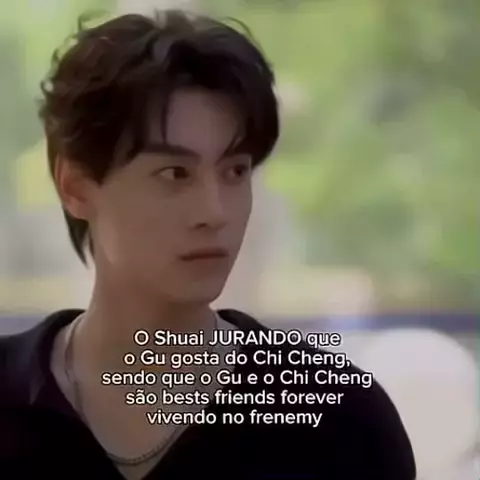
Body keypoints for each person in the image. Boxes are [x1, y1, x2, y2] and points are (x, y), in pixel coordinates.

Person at [0, 9, 416, 480]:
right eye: (175, 174)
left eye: (235, 171)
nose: (215, 212)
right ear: (75, 186)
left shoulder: (340, 420)